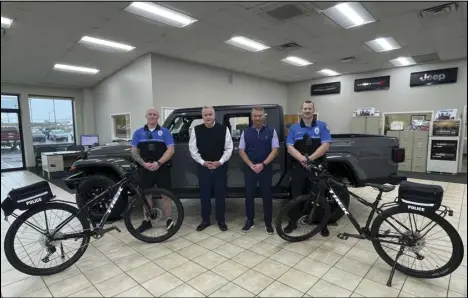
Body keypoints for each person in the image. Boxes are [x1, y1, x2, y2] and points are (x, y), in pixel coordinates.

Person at [285, 100, 332, 236]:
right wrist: (302, 159)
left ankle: (322, 224)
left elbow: (325, 145)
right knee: (296, 195)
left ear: (313, 110)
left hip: (317, 166)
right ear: (301, 111)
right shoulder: (294, 128)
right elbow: (289, 147)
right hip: (299, 167)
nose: (307, 111)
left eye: (309, 109)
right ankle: (293, 222)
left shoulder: (322, 126)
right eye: (305, 108)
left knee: (320, 196)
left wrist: (310, 159)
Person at [131, 107, 175, 233]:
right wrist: (144, 164)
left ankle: (169, 220)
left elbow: (171, 150)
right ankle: (147, 222)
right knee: (146, 196)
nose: (152, 116)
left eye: (154, 114)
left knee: (166, 195)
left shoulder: (165, 132)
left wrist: (159, 163)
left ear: (158, 117)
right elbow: (134, 152)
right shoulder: (138, 133)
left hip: (162, 168)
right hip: (145, 168)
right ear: (146, 116)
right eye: (150, 114)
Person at [189, 106, 233, 232]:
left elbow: (229, 148)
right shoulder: (196, 130)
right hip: (204, 168)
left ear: (214, 115)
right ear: (202, 117)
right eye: (205, 115)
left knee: (220, 195)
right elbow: (193, 149)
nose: (208, 117)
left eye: (210, 114)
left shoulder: (224, 129)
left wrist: (220, 162)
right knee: (204, 195)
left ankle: (221, 220)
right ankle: (205, 220)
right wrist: (203, 163)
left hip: (220, 167)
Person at [239, 106, 279, 235]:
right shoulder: (245, 132)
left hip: (265, 169)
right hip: (250, 169)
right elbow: (241, 151)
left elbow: (275, 150)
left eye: (260, 116)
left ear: (264, 117)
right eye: (255, 116)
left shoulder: (271, 131)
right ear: (252, 117)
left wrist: (263, 164)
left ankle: (268, 223)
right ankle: (249, 221)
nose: (257, 118)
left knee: (267, 196)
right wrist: (251, 165)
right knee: (249, 196)